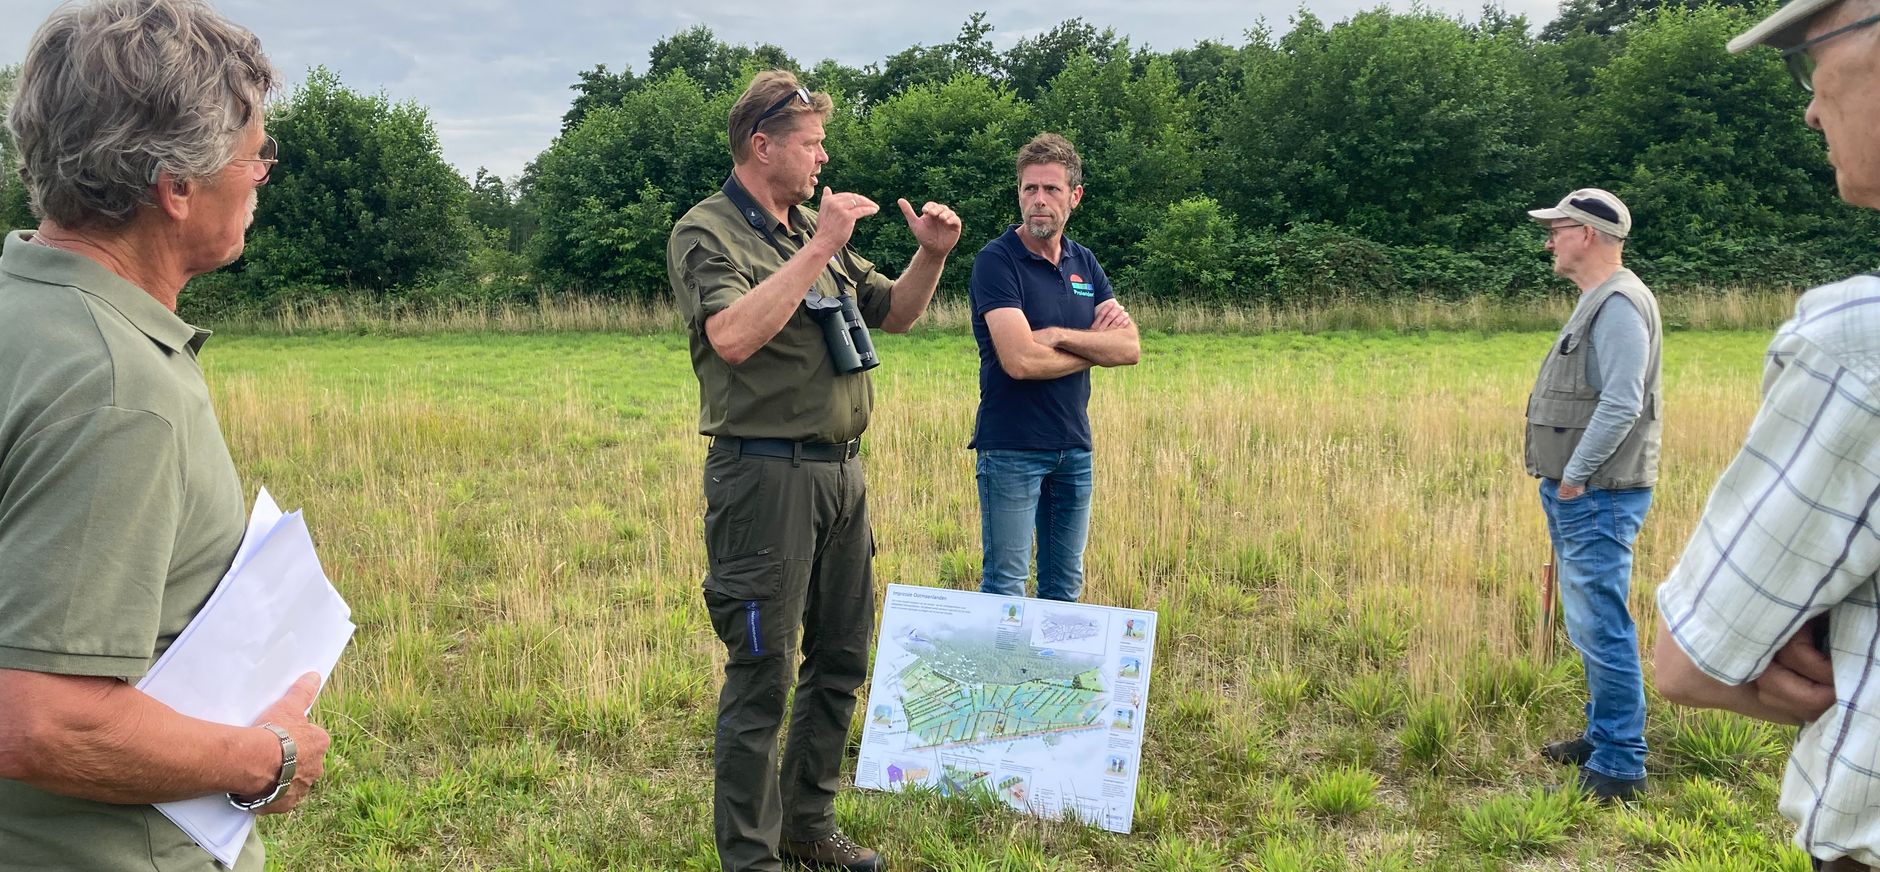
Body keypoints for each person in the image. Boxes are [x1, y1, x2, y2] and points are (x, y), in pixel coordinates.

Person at [0, 1, 330, 869]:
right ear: (176, 187)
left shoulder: (22, 313)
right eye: (254, 156)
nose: (262, 176)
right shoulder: (117, 387)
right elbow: (40, 721)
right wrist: (267, 757)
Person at [665, 69, 962, 872]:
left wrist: (930, 257)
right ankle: (752, 859)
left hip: (840, 477)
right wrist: (825, 244)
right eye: (811, 143)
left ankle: (807, 828)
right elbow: (730, 335)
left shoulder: (803, 234)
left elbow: (893, 313)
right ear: (762, 147)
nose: (823, 157)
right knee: (761, 674)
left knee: (839, 656)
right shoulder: (709, 232)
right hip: (765, 480)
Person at [1655, 1, 1880, 867]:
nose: (1809, 108)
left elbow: (1690, 662)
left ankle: (1615, 757)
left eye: (1809, 60)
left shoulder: (1856, 344)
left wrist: (1787, 617)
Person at [1523, 187, 1663, 802]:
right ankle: (1604, 734)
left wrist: (1575, 476)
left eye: (1556, 228)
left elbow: (1622, 402)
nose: (1549, 239)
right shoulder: (1601, 300)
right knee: (1591, 623)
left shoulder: (1620, 304)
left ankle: (1620, 766)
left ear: (1586, 234)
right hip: (1587, 493)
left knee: (1602, 626)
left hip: (1598, 494)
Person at [968, 133, 1139, 603]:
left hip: (1074, 448)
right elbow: (1020, 361)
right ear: (1019, 193)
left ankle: (1048, 680)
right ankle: (1000, 677)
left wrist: (1061, 336)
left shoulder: (1084, 263)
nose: (1038, 201)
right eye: (1029, 189)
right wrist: (1093, 347)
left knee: (1064, 589)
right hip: (1011, 448)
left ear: (1075, 196)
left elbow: (1128, 347)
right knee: (1006, 588)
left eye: (1051, 189)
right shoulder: (997, 261)